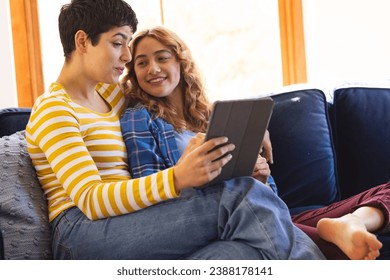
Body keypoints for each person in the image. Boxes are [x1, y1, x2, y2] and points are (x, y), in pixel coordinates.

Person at [25, 0, 324, 260]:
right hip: (81, 236)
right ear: (81, 41)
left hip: (130, 222)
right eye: (118, 43)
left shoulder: (112, 96)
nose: (127, 58)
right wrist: (178, 177)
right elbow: (91, 199)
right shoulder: (54, 109)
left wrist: (251, 130)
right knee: (239, 195)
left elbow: (181, 103)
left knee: (242, 253)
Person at [120, 26, 389, 260]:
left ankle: (350, 222)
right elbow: (151, 191)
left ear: (180, 62)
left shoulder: (215, 115)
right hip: (227, 220)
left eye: (162, 58)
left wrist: (261, 178)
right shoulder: (139, 118)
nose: (153, 69)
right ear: (133, 72)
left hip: (269, 214)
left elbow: (270, 198)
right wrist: (190, 171)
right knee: (343, 249)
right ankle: (338, 232)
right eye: (141, 63)